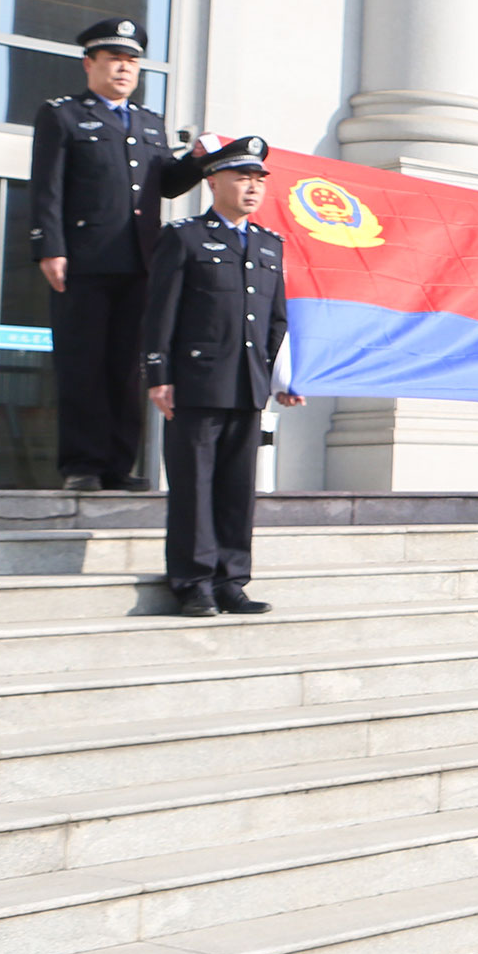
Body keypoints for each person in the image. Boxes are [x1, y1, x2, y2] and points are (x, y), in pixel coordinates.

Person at [26, 17, 206, 491]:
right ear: (90, 64)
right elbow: (47, 187)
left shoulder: (149, 123)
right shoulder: (62, 114)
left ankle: (117, 467)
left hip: (142, 263)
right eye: (114, 60)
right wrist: (50, 247)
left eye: (132, 62)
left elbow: (167, 182)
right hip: (84, 262)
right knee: (83, 363)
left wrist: (202, 161)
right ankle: (82, 466)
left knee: (129, 368)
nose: (124, 70)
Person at [140, 139, 303, 616]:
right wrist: (158, 374)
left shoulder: (270, 244)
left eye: (259, 180)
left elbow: (277, 321)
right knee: (193, 487)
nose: (252, 188)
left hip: (248, 385)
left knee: (236, 489)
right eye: (242, 178)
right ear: (213, 181)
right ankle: (193, 582)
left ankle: (232, 580)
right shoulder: (185, 237)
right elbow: (160, 313)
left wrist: (283, 377)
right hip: (195, 383)